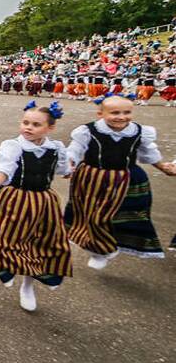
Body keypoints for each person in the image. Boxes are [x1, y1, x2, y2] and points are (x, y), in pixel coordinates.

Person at [0, 101, 72, 311]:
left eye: (36, 124)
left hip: (43, 203)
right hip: (12, 200)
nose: (28, 127)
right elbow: (3, 170)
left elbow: (63, 170)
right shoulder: (14, 146)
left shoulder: (56, 149)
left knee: (37, 245)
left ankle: (27, 286)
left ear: (50, 128)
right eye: (25, 122)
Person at [64, 95, 175, 269]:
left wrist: (163, 167)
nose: (121, 117)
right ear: (100, 114)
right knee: (93, 216)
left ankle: (111, 245)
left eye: (127, 112)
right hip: (93, 179)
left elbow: (149, 153)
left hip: (126, 179)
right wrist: (68, 165)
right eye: (115, 112)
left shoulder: (139, 132)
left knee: (123, 216)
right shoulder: (88, 131)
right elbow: (75, 151)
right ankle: (100, 250)